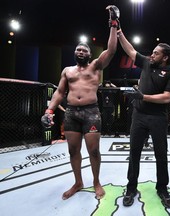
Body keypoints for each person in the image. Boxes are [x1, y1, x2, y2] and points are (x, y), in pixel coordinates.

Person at [41, 5, 119, 200]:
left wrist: (113, 24)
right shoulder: (67, 71)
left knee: (93, 150)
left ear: (90, 54)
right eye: (78, 49)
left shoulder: (95, 66)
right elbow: (59, 92)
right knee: (72, 150)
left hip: (91, 112)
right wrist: (49, 111)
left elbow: (111, 49)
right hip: (71, 113)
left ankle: (96, 181)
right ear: (75, 53)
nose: (81, 51)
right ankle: (78, 182)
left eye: (85, 49)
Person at [117, 26, 170, 208]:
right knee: (134, 152)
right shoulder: (146, 63)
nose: (151, 55)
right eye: (152, 53)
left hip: (158, 118)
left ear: (165, 57)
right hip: (139, 116)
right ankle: (131, 187)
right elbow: (129, 49)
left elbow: (167, 97)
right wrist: (118, 30)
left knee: (161, 154)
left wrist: (142, 96)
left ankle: (162, 188)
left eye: (155, 53)